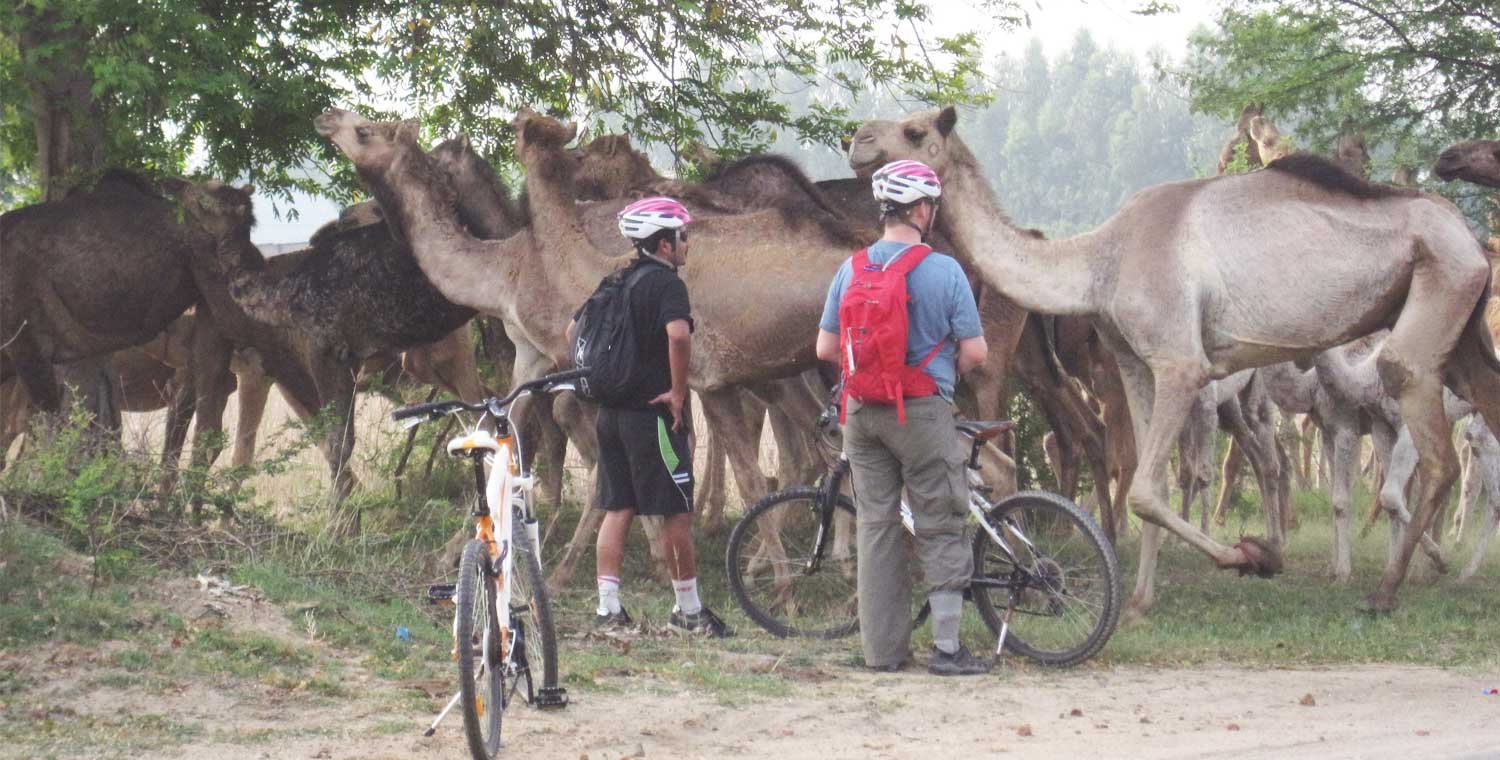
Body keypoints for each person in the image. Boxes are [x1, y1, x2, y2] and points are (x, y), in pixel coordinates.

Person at [814, 160, 990, 675]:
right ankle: (948, 648)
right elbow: (977, 352)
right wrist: (940, 369)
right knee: (940, 519)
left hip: (861, 414)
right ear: (920, 209)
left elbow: (825, 346)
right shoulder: (943, 270)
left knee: (875, 526)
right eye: (931, 205)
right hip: (919, 411)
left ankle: (882, 652)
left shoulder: (852, 268)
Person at [568, 196, 730, 638]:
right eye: (682, 236)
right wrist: (678, 392)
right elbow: (678, 335)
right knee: (676, 511)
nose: (687, 244)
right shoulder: (666, 285)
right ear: (663, 244)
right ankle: (689, 613)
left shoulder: (614, 281)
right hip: (653, 415)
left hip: (610, 415)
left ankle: (608, 611)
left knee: (617, 508)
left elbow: (572, 331)